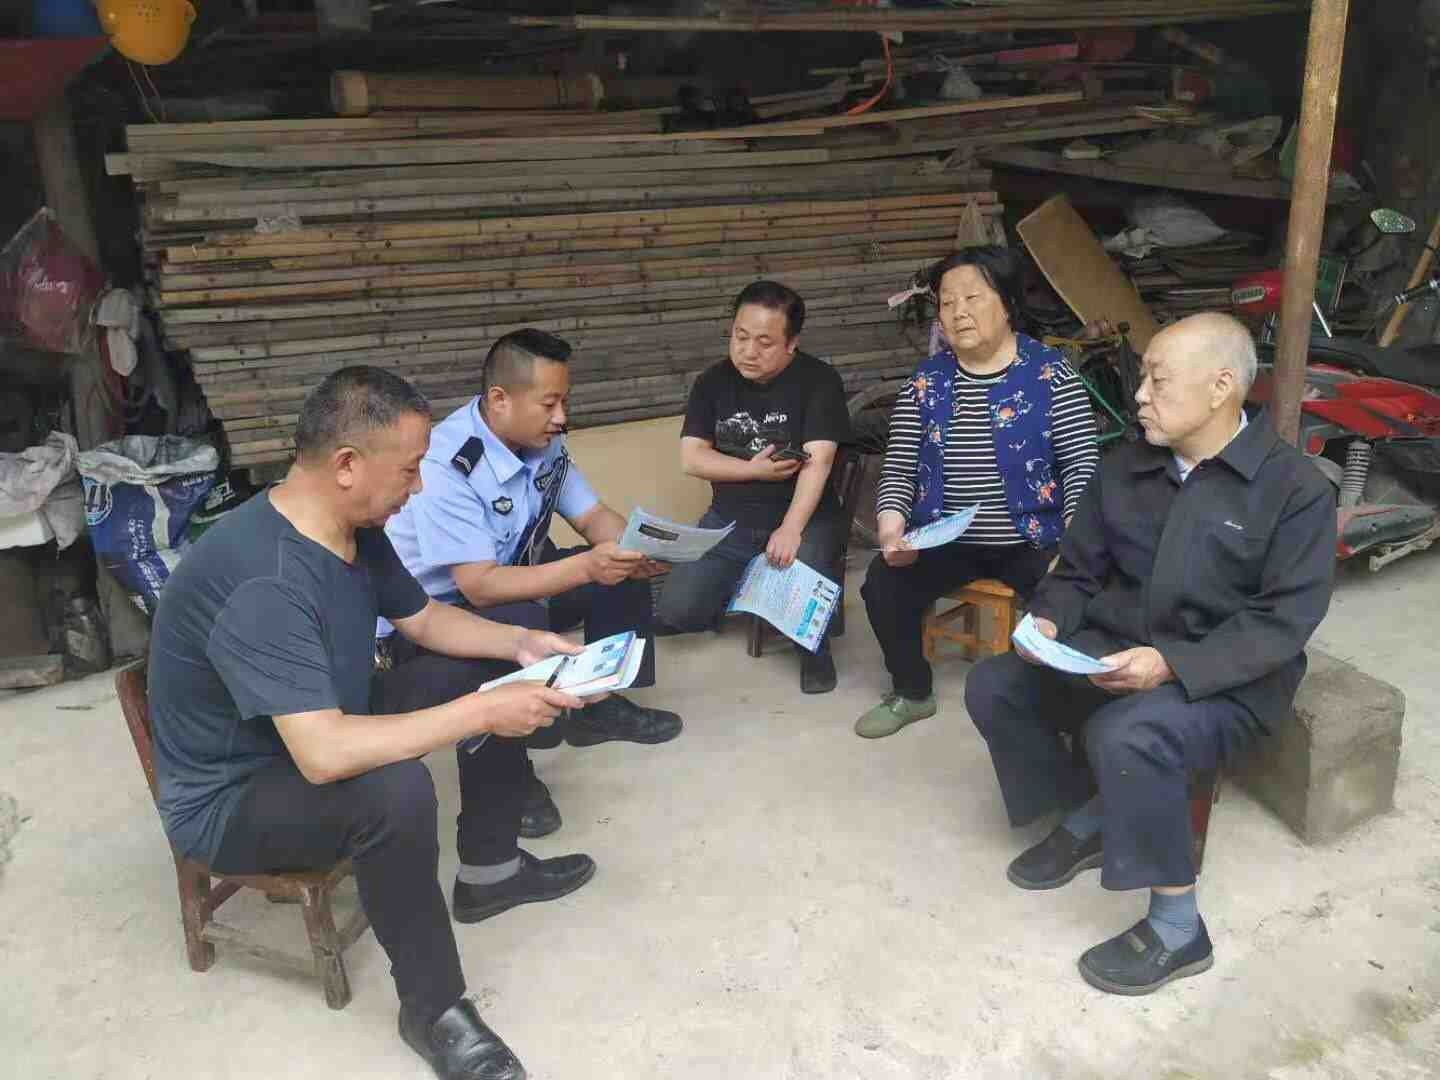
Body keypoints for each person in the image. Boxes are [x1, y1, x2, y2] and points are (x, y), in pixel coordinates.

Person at [149, 367, 601, 1080]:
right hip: (236, 793)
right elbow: (324, 755)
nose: (418, 487)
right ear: (347, 465)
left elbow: (424, 619)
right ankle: (433, 1008)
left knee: (494, 649)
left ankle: (489, 870)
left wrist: (522, 646)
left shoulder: (354, 527)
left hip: (321, 719)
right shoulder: (263, 578)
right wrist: (484, 711)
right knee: (396, 792)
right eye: (411, 469)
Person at [964, 313, 1336, 996]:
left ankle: (1178, 928)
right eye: (1143, 377)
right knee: (995, 685)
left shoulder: (1294, 491)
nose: (1139, 395)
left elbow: (1282, 623)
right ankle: (1091, 813)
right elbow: (1078, 572)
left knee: (1128, 733)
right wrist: (1047, 620)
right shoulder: (1124, 467)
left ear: (1221, 387)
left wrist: (1170, 665)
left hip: (1227, 678)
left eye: (1157, 380)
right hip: (1115, 648)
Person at [383, 328, 682, 839]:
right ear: (500, 399)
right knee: (524, 617)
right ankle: (513, 782)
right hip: (432, 619)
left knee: (620, 570)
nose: (561, 416)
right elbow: (479, 587)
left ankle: (598, 707)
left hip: (512, 580)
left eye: (564, 401)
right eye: (549, 404)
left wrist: (638, 550)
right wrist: (587, 567)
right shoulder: (448, 465)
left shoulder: (544, 443)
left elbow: (592, 516)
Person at [855, 247, 1100, 738]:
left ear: (1007, 303)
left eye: (972, 298)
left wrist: (1075, 541)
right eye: (947, 302)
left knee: (1078, 598)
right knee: (882, 584)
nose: (958, 312)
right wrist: (891, 529)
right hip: (944, 539)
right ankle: (912, 692)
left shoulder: (1051, 374)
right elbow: (899, 467)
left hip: (1032, 537)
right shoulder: (926, 381)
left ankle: (1060, 703)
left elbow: (1082, 465)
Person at [655, 280, 853, 694]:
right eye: (740, 336)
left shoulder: (819, 381)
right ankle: (743, 588)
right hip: (730, 519)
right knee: (676, 611)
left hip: (807, 518)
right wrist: (754, 471)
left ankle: (813, 650)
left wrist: (791, 528)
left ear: (791, 343)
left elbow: (818, 462)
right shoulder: (712, 382)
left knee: (803, 584)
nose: (748, 351)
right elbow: (692, 458)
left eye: (764, 342)